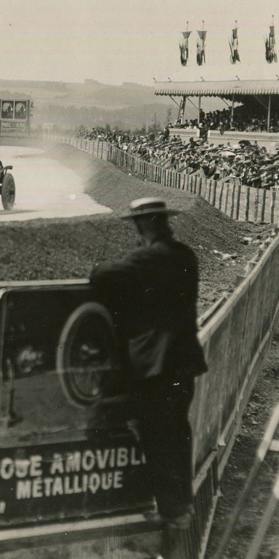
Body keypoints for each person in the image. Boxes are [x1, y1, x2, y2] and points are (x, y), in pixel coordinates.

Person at [88, 197, 207, 530]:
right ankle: (179, 508)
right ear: (165, 222)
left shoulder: (146, 259)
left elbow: (104, 275)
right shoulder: (186, 256)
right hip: (184, 361)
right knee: (176, 435)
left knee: (156, 437)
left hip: (156, 367)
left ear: (143, 226)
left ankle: (168, 513)